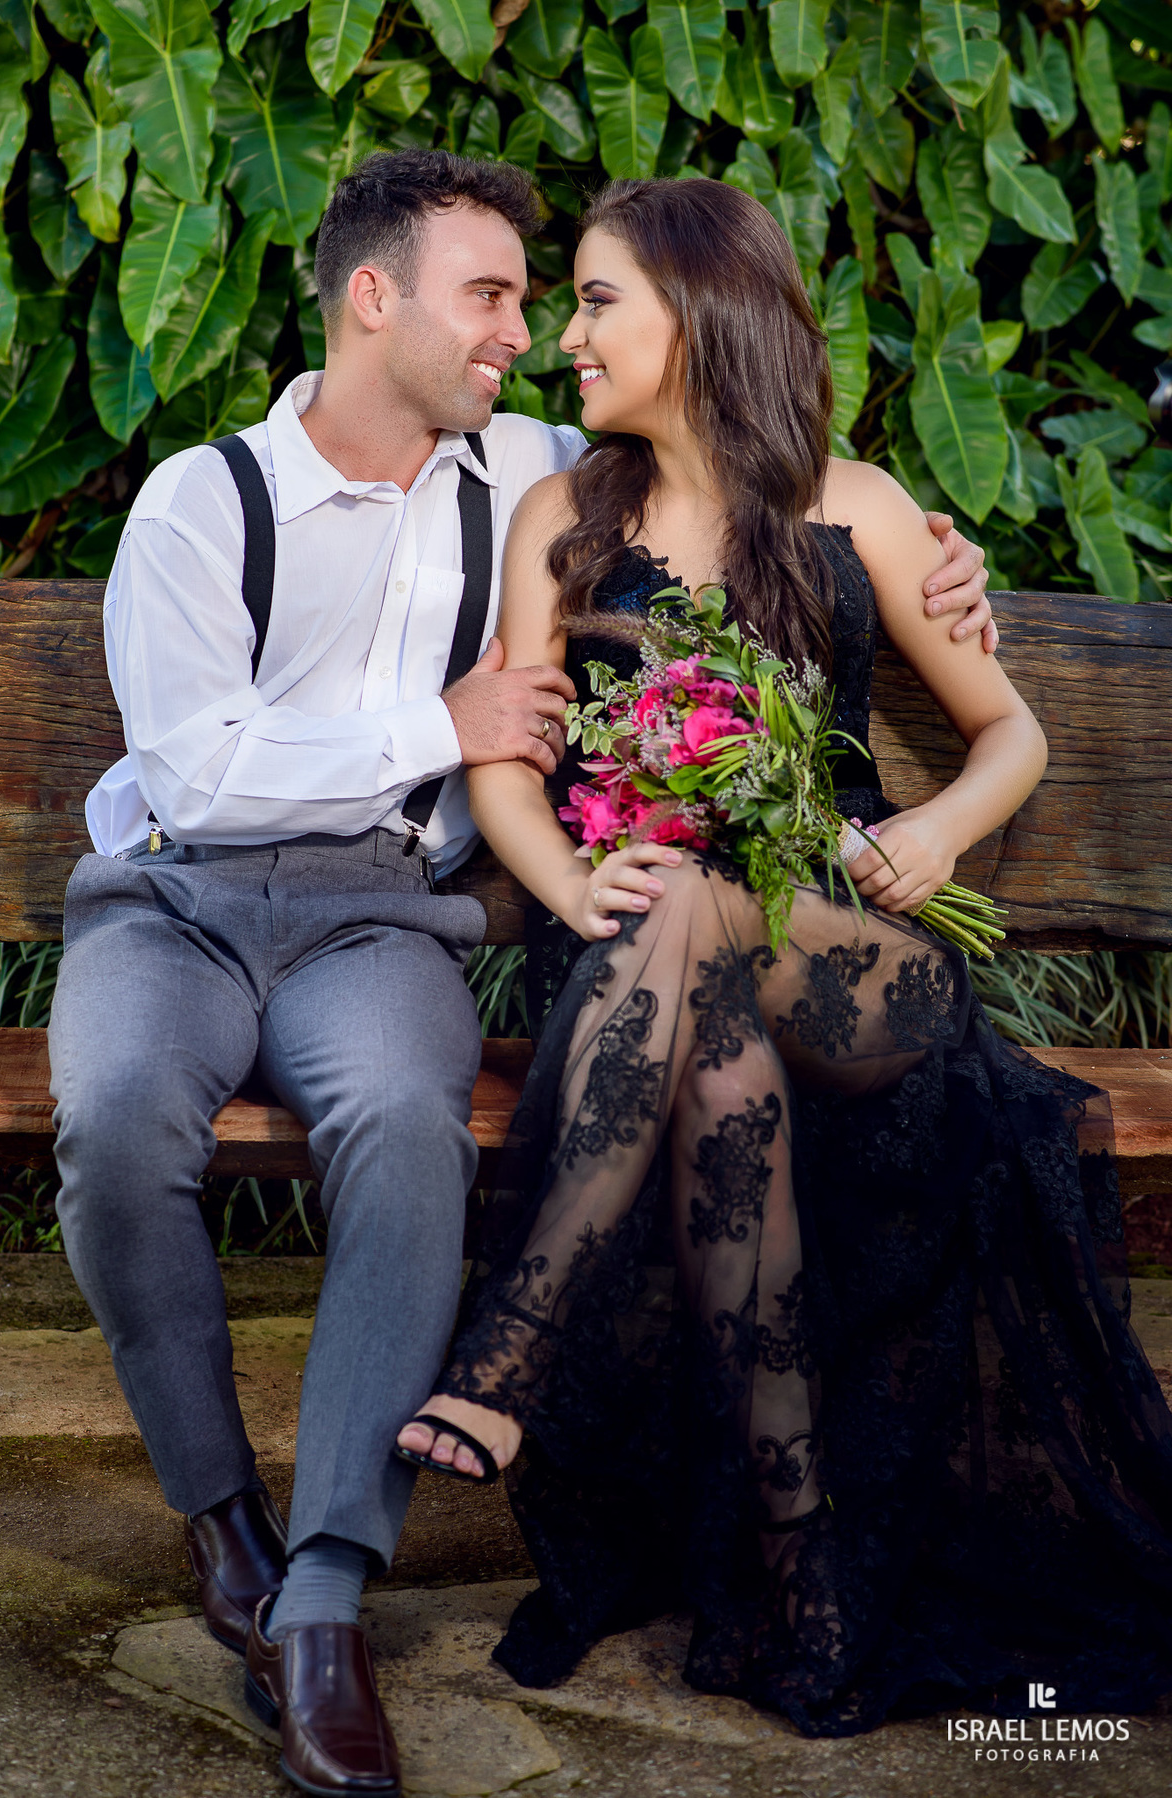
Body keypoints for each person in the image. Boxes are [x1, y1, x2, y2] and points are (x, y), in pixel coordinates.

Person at [47, 150, 995, 1795]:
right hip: (174, 895)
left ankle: (327, 1590)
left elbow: (729, 453)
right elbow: (193, 769)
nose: (526, 332)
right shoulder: (203, 500)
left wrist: (936, 549)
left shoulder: (538, 464)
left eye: (546, 302)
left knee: (410, 1129)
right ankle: (223, 1518)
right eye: (489, 297)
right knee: (117, 1120)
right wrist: (448, 730)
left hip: (377, 916)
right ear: (374, 299)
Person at [396, 177, 1172, 1738]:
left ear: (697, 312)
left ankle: (511, 1348)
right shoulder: (566, 519)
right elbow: (505, 760)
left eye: (598, 299)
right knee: (717, 1053)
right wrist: (571, 883)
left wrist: (936, 831)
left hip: (858, 967)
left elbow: (1010, 732)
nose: (568, 334)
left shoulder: (856, 506)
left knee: (709, 912)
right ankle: (803, 1561)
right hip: (646, 962)